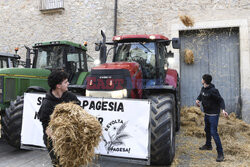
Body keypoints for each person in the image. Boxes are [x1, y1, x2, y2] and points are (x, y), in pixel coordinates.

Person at [38, 70, 80, 166]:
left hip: (71, 138)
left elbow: (80, 112)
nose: (68, 83)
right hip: (55, 142)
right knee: (59, 164)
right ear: (58, 86)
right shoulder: (47, 104)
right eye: (65, 82)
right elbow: (47, 128)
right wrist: (57, 138)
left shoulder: (70, 97)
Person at [196, 74, 228, 162]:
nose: (201, 80)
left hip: (213, 114)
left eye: (202, 79)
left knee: (214, 133)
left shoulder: (213, 91)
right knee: (207, 129)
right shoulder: (203, 88)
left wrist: (223, 110)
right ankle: (208, 145)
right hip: (206, 113)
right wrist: (197, 100)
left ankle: (220, 154)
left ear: (205, 81)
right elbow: (201, 95)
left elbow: (221, 100)